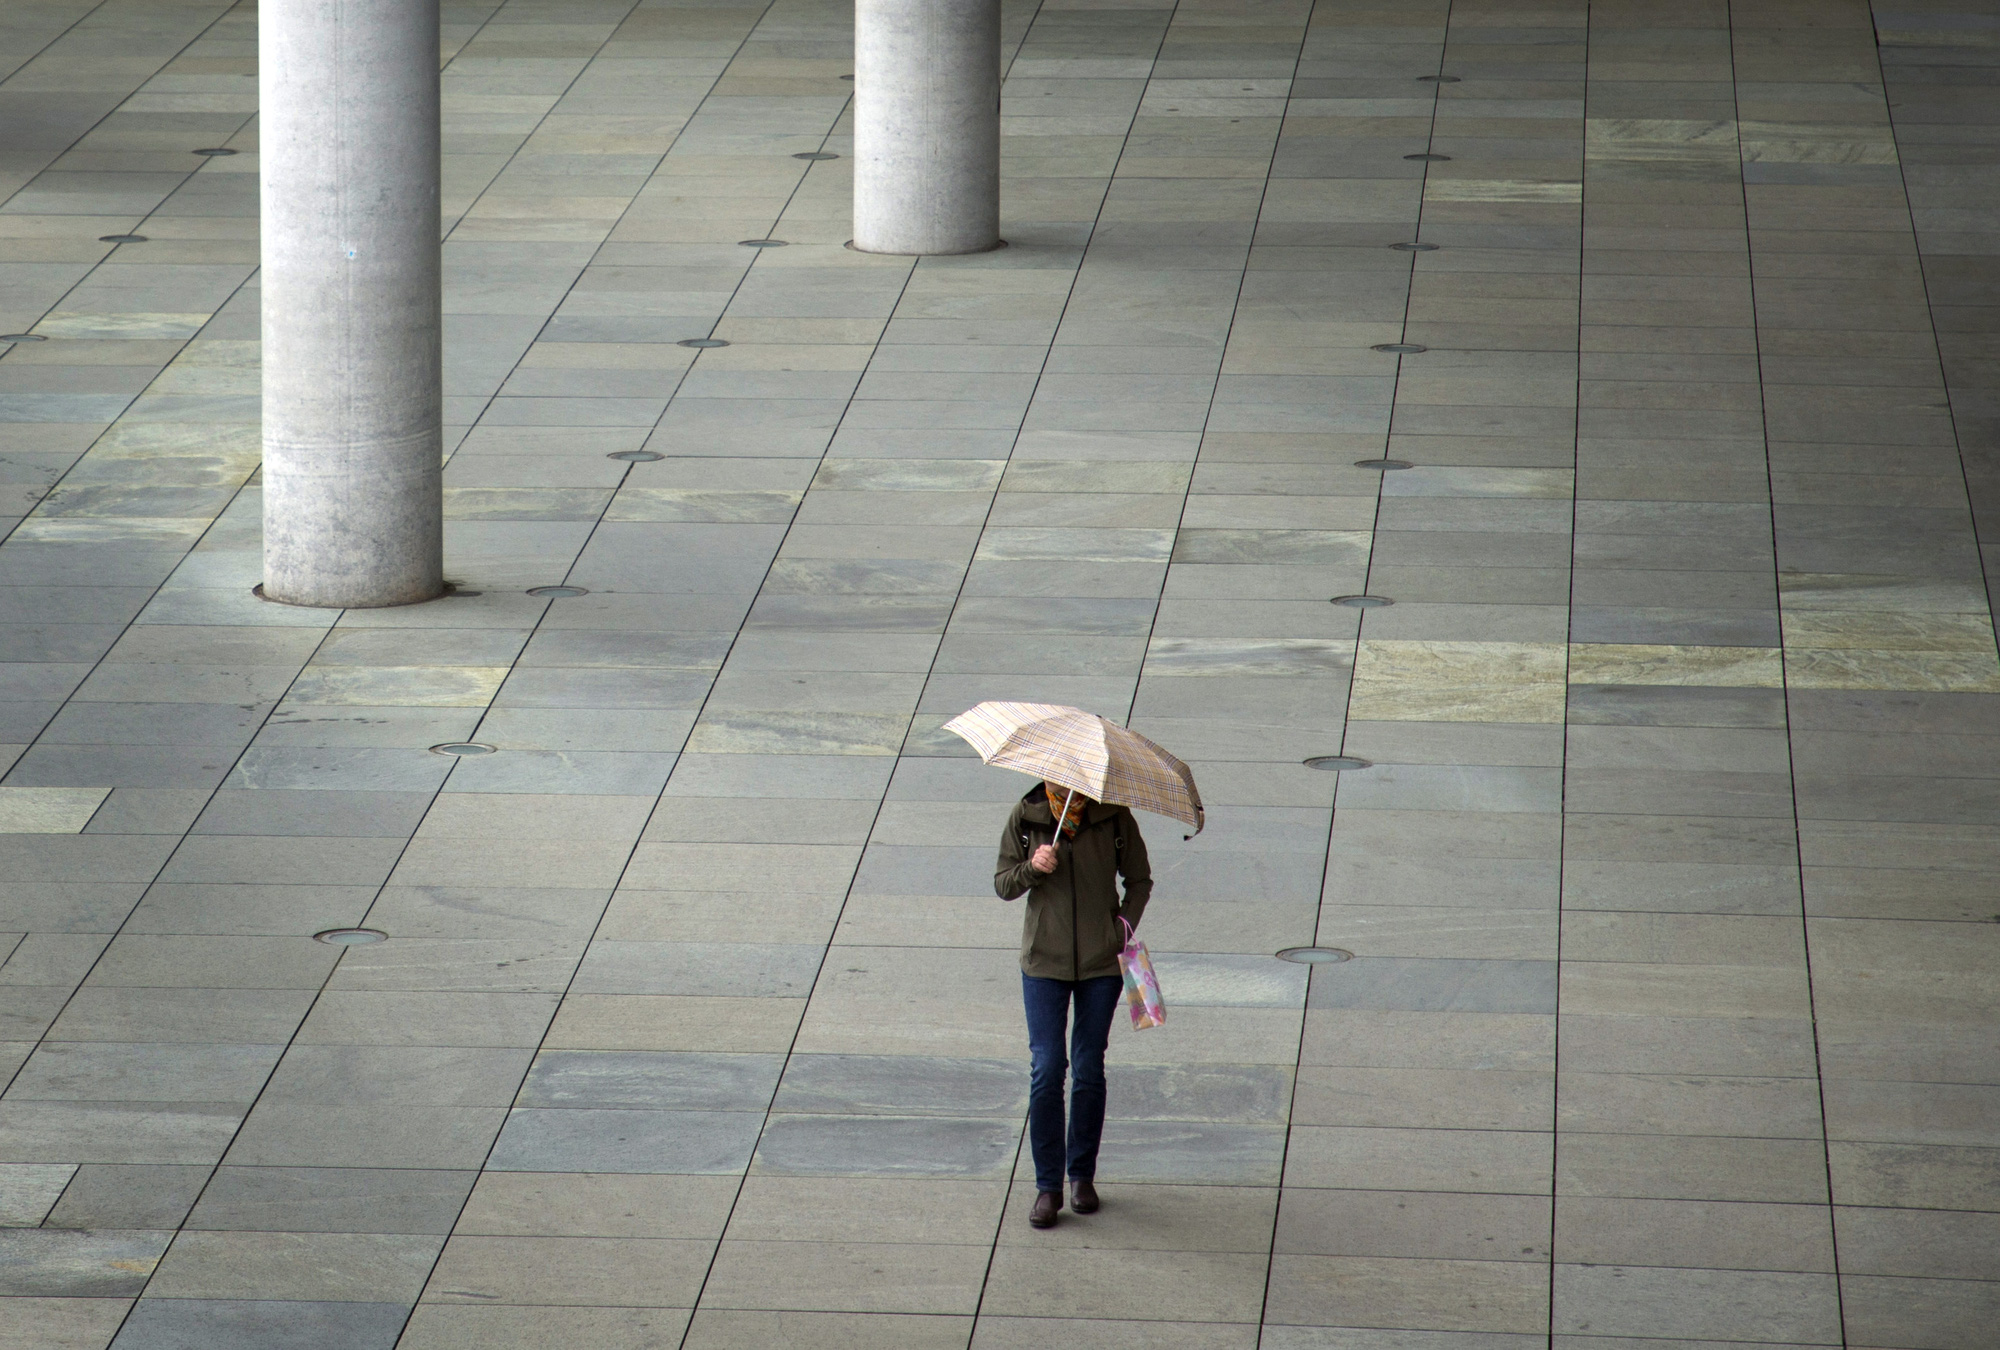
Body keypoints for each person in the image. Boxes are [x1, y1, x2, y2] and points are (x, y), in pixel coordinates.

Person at [994, 780, 1152, 1229]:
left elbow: (1139, 879)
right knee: (1046, 1068)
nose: (1060, 781)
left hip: (1101, 963)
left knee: (1087, 1066)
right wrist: (1032, 867)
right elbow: (1003, 885)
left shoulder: (1113, 817)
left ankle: (1081, 1175)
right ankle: (1048, 1187)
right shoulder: (1027, 815)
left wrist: (1121, 925)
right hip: (1043, 960)